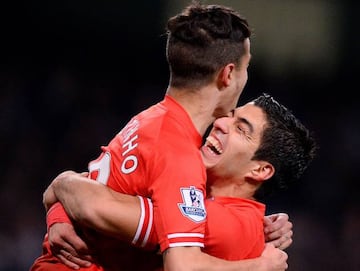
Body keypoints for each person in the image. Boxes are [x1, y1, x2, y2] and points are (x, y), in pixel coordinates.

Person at [33, 2, 292, 271]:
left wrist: (59, 207)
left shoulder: (153, 120)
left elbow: (71, 189)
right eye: (246, 66)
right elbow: (182, 266)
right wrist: (259, 266)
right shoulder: (179, 154)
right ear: (227, 74)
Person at [31, 93, 316, 271]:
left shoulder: (224, 223)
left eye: (241, 129)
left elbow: (93, 204)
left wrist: (61, 187)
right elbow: (89, 185)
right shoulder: (199, 187)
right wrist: (59, 215)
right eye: (231, 116)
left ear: (261, 170)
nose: (221, 123)